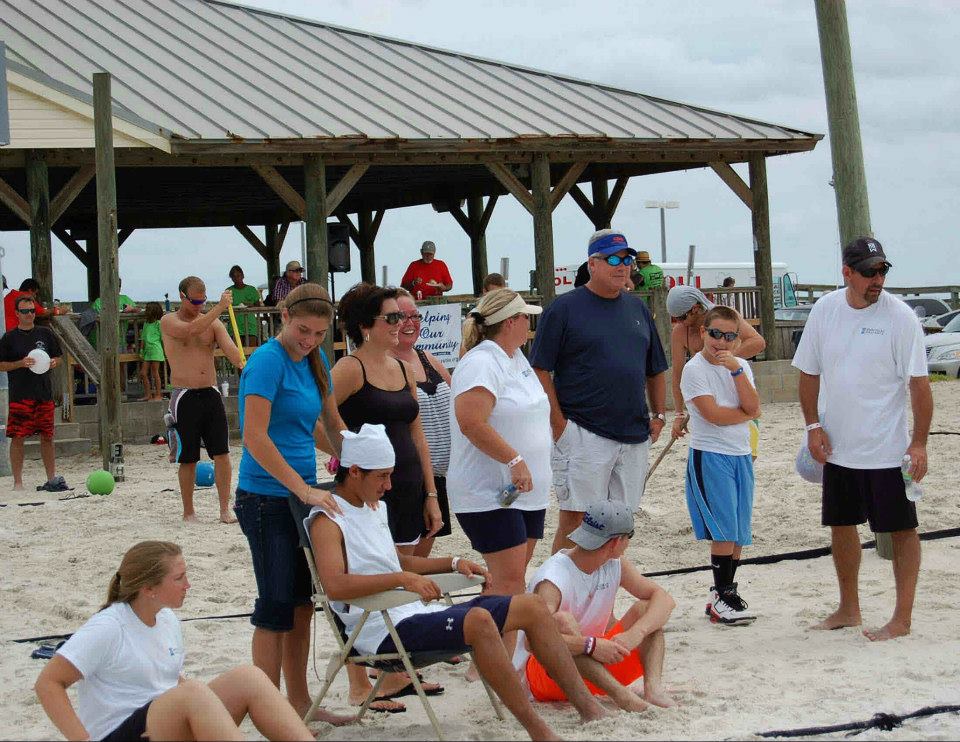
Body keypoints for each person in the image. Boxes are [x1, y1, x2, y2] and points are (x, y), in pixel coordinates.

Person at [305, 423, 609, 740]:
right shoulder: (328, 520)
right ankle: (538, 731)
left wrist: (451, 563)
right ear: (354, 471)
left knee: (531, 607)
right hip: (377, 628)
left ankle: (588, 707)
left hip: (408, 614)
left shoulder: (374, 507)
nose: (389, 485)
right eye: (382, 476)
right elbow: (336, 586)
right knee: (477, 620)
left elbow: (397, 562)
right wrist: (402, 579)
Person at [34, 540, 316, 742]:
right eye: (179, 578)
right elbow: (48, 683)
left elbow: (164, 677)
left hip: (163, 720)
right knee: (192, 692)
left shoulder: (165, 618)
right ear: (149, 589)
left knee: (248, 677)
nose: (188, 585)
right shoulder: (109, 626)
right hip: (120, 731)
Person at [792, 237, 932, 642]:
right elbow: (808, 372)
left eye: (883, 270)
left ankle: (901, 619)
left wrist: (918, 443)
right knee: (841, 524)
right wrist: (812, 427)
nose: (878, 279)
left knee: (901, 530)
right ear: (847, 273)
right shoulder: (825, 309)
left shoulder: (901, 317)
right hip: (838, 447)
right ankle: (848, 608)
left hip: (887, 450)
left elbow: (920, 387)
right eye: (870, 271)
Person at [234, 282, 354, 724]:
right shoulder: (267, 361)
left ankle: (300, 703)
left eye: (320, 334)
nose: (310, 341)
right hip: (265, 496)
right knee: (275, 605)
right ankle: (268, 711)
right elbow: (254, 437)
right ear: (284, 316)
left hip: (305, 490)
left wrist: (357, 461)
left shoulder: (317, 358)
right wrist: (301, 489)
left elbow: (328, 424)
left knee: (303, 604)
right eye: (303, 331)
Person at [331, 282, 443, 708]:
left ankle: (396, 671)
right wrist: (347, 461)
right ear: (365, 325)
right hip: (369, 491)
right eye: (392, 318)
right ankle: (363, 682)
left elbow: (417, 432)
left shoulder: (400, 367)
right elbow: (318, 422)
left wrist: (432, 493)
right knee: (370, 577)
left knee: (404, 576)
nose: (402, 324)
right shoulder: (350, 368)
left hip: (408, 482)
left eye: (404, 317)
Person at [530, 229, 668, 554]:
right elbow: (538, 369)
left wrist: (659, 415)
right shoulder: (563, 309)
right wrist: (558, 426)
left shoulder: (637, 311)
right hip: (582, 432)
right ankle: (561, 597)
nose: (623, 267)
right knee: (577, 520)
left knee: (621, 522)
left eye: (627, 259)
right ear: (593, 263)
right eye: (614, 259)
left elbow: (656, 368)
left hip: (634, 434)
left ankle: (601, 597)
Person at [514, 502, 677, 710]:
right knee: (562, 621)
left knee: (647, 611)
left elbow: (664, 599)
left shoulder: (614, 562)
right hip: (548, 677)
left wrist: (637, 632)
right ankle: (623, 697)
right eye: (630, 537)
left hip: (597, 667)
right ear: (617, 542)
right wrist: (589, 645)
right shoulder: (553, 579)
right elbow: (533, 642)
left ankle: (653, 690)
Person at [680, 305, 761, 624]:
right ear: (703, 333)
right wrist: (745, 414)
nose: (721, 342)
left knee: (739, 531)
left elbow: (754, 405)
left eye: (730, 336)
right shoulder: (694, 369)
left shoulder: (740, 365)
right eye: (716, 334)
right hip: (710, 454)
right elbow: (713, 415)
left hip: (740, 453)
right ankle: (722, 595)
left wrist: (737, 372)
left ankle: (725, 592)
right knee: (724, 528)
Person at [160, 277, 244, 523]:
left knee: (222, 453)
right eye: (195, 300)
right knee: (188, 457)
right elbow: (189, 330)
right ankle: (189, 512)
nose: (199, 305)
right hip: (184, 395)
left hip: (210, 392)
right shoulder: (169, 321)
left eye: (202, 300)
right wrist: (218, 307)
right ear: (182, 297)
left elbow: (230, 350)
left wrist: (241, 361)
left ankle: (224, 510)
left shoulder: (214, 323)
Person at [390, 288, 454, 558]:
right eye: (400, 316)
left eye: (414, 316)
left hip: (438, 477)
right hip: (403, 476)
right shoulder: (383, 365)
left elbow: (459, 408)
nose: (409, 323)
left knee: (421, 559)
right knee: (403, 563)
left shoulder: (429, 360)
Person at [666, 284, 766, 445]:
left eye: (682, 317)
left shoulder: (724, 317)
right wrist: (678, 414)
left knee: (748, 451)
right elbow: (677, 375)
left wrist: (725, 357)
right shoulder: (679, 332)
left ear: (696, 308)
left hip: (734, 392)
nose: (680, 322)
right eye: (675, 319)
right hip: (708, 400)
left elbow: (758, 342)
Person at [0, 294, 66, 492]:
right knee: (18, 437)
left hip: (44, 393)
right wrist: (20, 363)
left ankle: (51, 477)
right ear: (17, 314)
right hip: (20, 394)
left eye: (32, 311)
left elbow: (59, 357)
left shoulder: (45, 333)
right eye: (25, 311)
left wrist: (54, 362)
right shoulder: (9, 338)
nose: (29, 315)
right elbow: (1, 365)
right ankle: (18, 481)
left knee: (47, 436)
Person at [91, 278, 141, 350]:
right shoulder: (99, 301)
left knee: (122, 359)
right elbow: (92, 317)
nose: (117, 288)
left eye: (119, 285)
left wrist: (132, 309)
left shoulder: (125, 298)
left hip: (120, 341)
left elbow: (139, 310)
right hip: (102, 342)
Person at [226, 265, 262, 348]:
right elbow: (225, 306)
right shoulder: (228, 291)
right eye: (233, 277)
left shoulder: (252, 290)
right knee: (236, 354)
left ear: (242, 276)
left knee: (251, 352)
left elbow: (258, 306)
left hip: (250, 326)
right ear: (231, 278)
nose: (236, 278)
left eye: (238, 275)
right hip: (235, 326)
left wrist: (250, 305)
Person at [138, 301, 165, 401]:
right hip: (147, 351)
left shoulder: (159, 323)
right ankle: (148, 394)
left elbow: (162, 339)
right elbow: (143, 339)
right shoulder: (146, 324)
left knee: (155, 373)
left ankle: (158, 395)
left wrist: (165, 351)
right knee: (143, 373)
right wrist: (141, 350)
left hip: (156, 350)